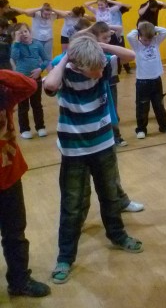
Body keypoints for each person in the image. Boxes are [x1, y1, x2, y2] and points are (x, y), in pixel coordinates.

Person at [43, 36, 144, 285]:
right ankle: (65, 257)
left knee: (110, 195)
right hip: (74, 151)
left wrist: (101, 47)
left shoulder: (103, 64)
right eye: (95, 69)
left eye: (101, 67)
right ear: (78, 65)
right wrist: (66, 57)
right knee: (72, 205)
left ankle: (117, 235)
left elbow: (131, 56)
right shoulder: (65, 72)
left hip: (104, 146)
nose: (101, 73)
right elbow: (50, 85)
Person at [0, 70, 51, 297]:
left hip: (10, 176)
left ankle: (19, 281)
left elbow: (29, 86)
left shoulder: (4, 96)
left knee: (15, 233)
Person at [126, 21, 166, 139]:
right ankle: (141, 129)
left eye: (149, 40)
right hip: (142, 82)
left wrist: (153, 28)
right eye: (145, 40)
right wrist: (140, 29)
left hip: (156, 80)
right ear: (140, 36)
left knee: (159, 105)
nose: (147, 42)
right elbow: (129, 36)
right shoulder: (136, 45)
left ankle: (164, 126)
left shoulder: (155, 41)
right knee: (142, 106)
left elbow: (165, 32)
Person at [10, 23, 49, 139]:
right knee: (23, 106)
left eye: (25, 31)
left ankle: (40, 127)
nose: (24, 34)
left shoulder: (37, 44)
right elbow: (14, 57)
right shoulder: (16, 46)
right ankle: (25, 129)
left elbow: (46, 60)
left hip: (36, 79)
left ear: (30, 32)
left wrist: (40, 69)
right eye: (20, 33)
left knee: (37, 104)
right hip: (21, 80)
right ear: (16, 35)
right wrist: (16, 41)